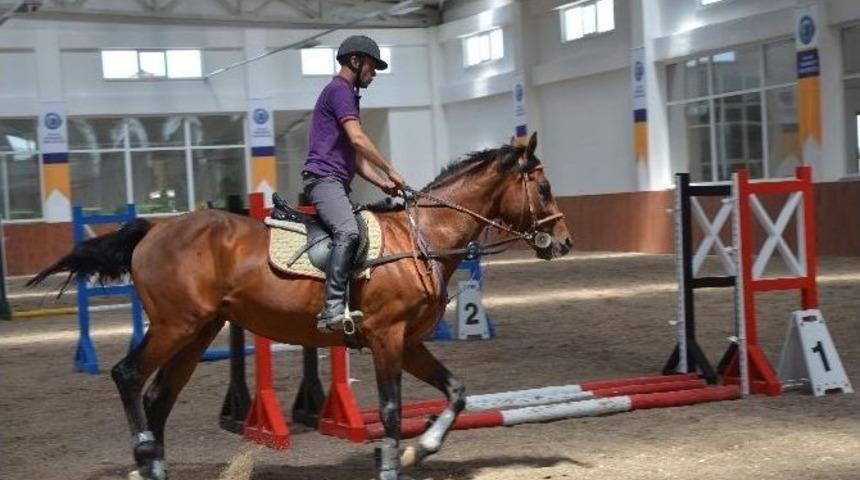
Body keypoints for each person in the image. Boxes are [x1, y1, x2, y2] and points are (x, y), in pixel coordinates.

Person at [297, 35, 407, 333]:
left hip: (336, 182)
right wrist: (391, 169)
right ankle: (331, 309)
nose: (375, 72)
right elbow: (358, 139)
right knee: (348, 230)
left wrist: (383, 183)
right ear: (355, 61)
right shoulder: (339, 91)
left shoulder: (347, 95)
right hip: (323, 181)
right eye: (372, 66)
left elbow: (355, 157)